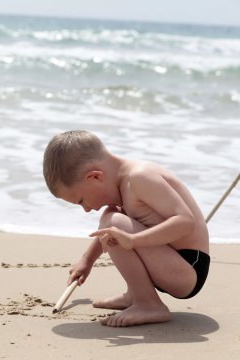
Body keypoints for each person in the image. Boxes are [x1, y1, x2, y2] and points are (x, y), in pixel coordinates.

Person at [43, 130, 210, 327]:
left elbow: (185, 222)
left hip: (187, 270)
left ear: (95, 177)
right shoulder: (122, 184)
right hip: (168, 263)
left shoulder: (140, 177)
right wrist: (86, 260)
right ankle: (136, 294)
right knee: (111, 217)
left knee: (114, 221)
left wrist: (132, 241)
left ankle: (148, 304)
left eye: (81, 201)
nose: (87, 209)